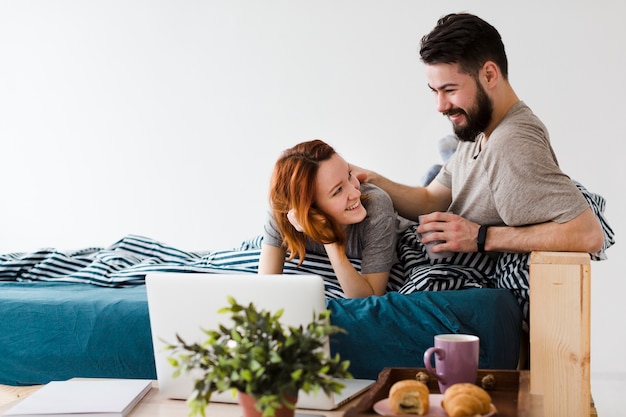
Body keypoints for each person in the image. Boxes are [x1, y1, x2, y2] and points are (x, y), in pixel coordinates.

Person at [354, 13, 604, 258]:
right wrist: (371, 178)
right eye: (434, 91)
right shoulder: (478, 127)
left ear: (489, 75)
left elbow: (589, 235)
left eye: (449, 90)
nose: (440, 105)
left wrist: (481, 237)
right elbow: (431, 200)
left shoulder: (511, 143)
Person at [258, 139, 407, 298]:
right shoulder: (282, 214)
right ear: (310, 207)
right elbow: (266, 287)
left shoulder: (376, 206)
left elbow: (368, 298)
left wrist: (329, 239)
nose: (356, 193)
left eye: (349, 175)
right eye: (338, 191)